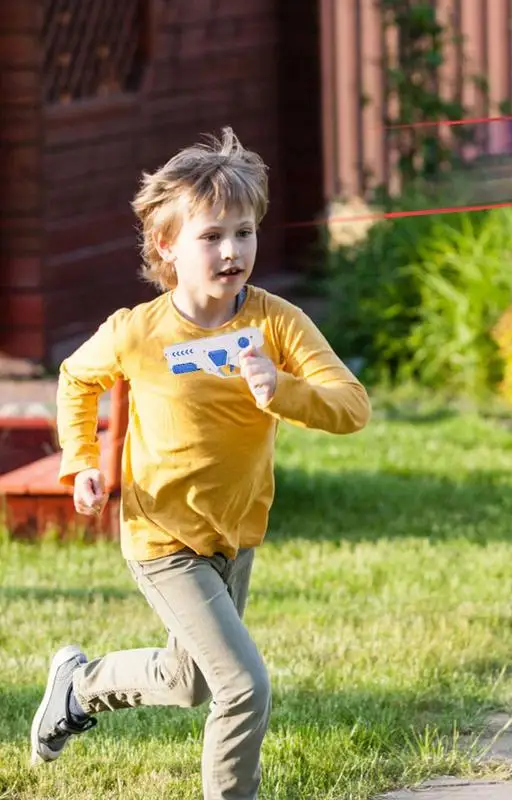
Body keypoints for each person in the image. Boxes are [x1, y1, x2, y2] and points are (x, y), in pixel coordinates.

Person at [29, 127, 371, 799]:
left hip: (234, 534)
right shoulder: (139, 331)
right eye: (211, 236)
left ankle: (79, 686)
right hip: (163, 536)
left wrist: (285, 390)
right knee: (243, 687)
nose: (232, 251)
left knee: (189, 681)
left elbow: (352, 405)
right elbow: (77, 378)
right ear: (168, 246)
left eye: (244, 233)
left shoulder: (279, 325)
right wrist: (83, 462)